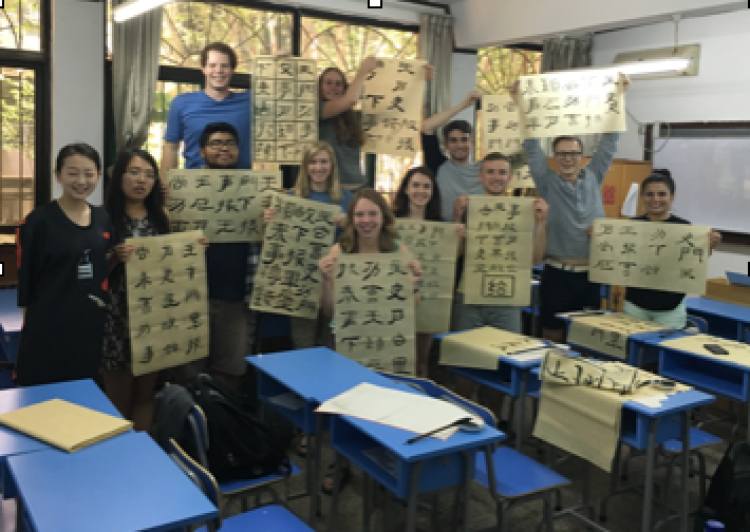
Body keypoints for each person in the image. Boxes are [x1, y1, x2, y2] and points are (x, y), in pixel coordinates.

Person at [510, 74, 630, 343]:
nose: (568, 159)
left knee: (587, 335)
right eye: (562, 154)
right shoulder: (546, 181)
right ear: (555, 157)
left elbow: (609, 143)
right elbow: (531, 144)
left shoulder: (594, 174)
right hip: (557, 274)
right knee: (552, 332)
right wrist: (520, 102)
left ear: (581, 156)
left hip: (591, 273)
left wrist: (619, 96)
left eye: (573, 153)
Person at [318, 187, 422, 493]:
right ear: (351, 219)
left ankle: (389, 459)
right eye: (360, 214)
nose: (366, 220)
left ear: (383, 217)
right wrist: (326, 280)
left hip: (389, 340)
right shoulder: (340, 252)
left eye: (372, 214)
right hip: (349, 340)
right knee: (347, 403)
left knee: (389, 402)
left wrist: (414, 285)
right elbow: (329, 310)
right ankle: (343, 464)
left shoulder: (399, 251)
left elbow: (411, 308)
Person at [15, 143, 113, 386]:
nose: (81, 180)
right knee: (42, 403)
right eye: (72, 173)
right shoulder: (37, 221)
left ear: (98, 176)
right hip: (48, 327)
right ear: (57, 175)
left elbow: (105, 267)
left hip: (89, 328)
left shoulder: (103, 218)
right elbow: (26, 283)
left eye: (89, 174)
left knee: (84, 400)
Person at [171, 122, 258, 392]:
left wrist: (273, 216)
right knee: (187, 374)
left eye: (230, 143)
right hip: (190, 297)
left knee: (231, 373)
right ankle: (190, 431)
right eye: (216, 143)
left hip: (237, 297)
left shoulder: (255, 188)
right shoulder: (181, 190)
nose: (223, 149)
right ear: (201, 151)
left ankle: (223, 431)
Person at [101, 149, 174, 432]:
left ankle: (142, 459)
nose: (141, 180)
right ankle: (117, 466)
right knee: (117, 401)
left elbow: (174, 267)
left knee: (145, 397)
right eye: (134, 172)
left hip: (153, 318)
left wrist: (192, 248)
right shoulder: (103, 219)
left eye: (148, 174)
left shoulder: (163, 217)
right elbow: (92, 275)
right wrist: (115, 258)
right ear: (119, 176)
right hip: (116, 319)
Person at [263, 140, 353, 350]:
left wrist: (350, 224)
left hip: (335, 282)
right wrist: (270, 223)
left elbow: (362, 238)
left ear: (332, 165)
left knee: (332, 345)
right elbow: (278, 242)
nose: (318, 167)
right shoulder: (292, 198)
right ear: (305, 166)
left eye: (324, 162)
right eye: (313, 162)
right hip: (301, 283)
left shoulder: (346, 198)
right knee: (303, 345)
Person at [623, 169, 721, 327]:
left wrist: (708, 246)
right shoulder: (632, 226)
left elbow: (693, 262)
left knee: (666, 349)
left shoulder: (684, 227)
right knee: (634, 350)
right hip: (636, 303)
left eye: (662, 194)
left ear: (672, 197)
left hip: (670, 307)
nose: (655, 199)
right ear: (642, 197)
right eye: (649, 194)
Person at [392, 165, 463, 377]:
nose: (420, 191)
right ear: (405, 189)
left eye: (426, 186)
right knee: (393, 359)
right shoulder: (390, 221)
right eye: (415, 185)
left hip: (428, 300)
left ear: (432, 192)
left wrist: (458, 232)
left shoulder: (439, 224)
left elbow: (453, 258)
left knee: (421, 361)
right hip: (394, 297)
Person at [319, 59, 433, 190]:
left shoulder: (354, 117)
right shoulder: (316, 110)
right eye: (328, 83)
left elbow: (392, 109)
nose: (333, 87)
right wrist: (362, 71)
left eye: (338, 84)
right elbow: (351, 99)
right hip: (328, 189)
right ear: (320, 87)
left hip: (356, 187)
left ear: (344, 88)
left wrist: (418, 82)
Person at [162, 42, 251, 173]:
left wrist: (281, 63)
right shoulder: (181, 103)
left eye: (224, 66)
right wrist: (165, 184)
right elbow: (171, 147)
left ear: (232, 70)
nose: (218, 71)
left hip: (240, 186)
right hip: (195, 186)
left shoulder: (249, 101)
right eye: (212, 65)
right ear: (203, 68)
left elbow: (281, 94)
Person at [421, 89, 484, 222]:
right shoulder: (437, 165)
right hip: (445, 235)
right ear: (446, 145)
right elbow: (427, 127)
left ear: (471, 143)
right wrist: (464, 104)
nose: (459, 145)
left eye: (464, 139)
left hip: (480, 235)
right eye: (453, 140)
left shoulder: (486, 170)